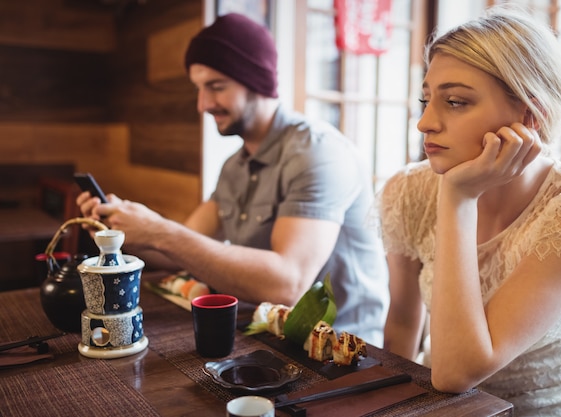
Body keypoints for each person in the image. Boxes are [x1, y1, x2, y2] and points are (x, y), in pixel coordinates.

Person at [77, 13, 389, 346]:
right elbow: (182, 249)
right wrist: (127, 229)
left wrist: (160, 231)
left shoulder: (317, 153)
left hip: (343, 352)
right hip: (266, 337)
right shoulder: (234, 167)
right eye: (199, 88)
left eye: (216, 86)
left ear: (257, 81)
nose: (203, 104)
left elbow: (288, 283)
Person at [375, 7, 561, 416]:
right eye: (426, 99)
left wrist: (458, 198)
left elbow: (457, 371)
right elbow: (403, 327)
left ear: (531, 115)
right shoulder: (407, 190)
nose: (424, 122)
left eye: (455, 101)